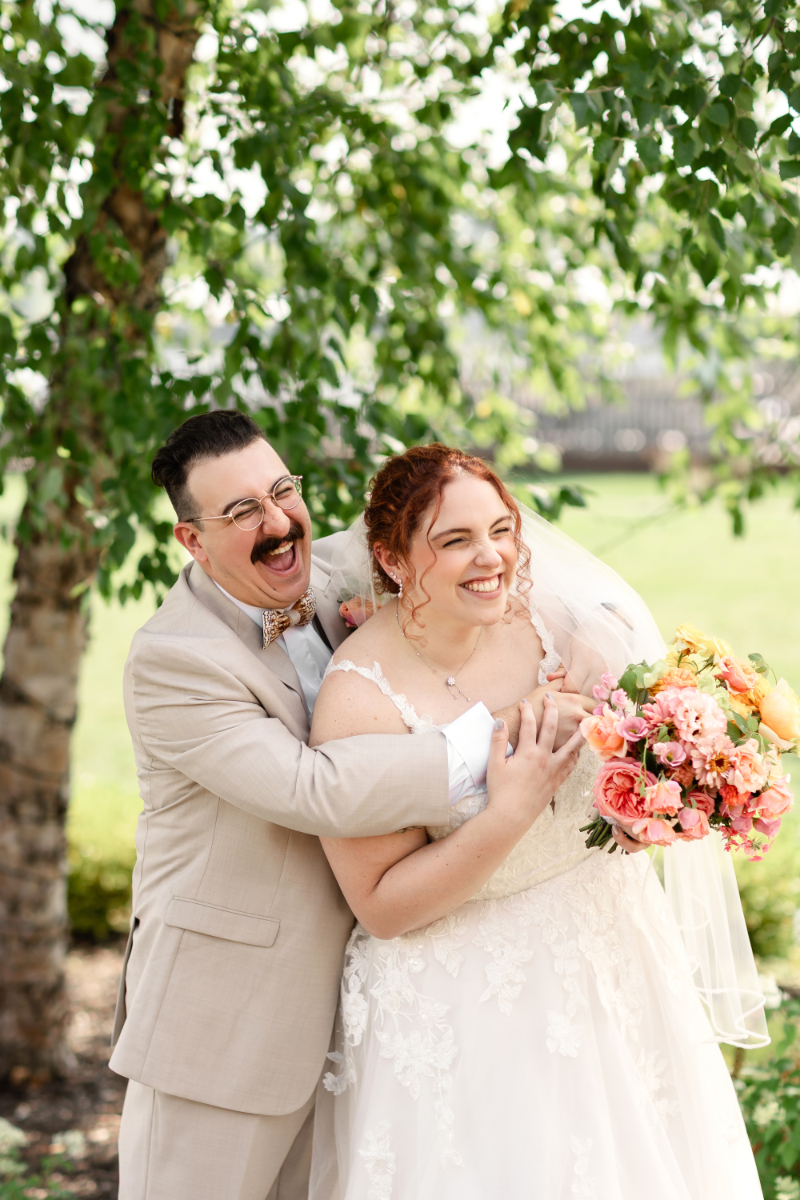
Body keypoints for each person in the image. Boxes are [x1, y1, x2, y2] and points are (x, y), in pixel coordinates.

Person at [110, 412, 594, 1200]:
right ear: (192, 543)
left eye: (280, 492)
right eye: (239, 514)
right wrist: (508, 737)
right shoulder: (173, 662)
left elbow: (469, 552)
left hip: (369, 1019)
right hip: (225, 1024)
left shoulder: (350, 567)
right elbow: (315, 788)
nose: (275, 524)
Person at [307, 443, 765, 1200]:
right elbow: (380, 906)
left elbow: (623, 647)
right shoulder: (358, 700)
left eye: (501, 529)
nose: (491, 558)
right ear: (391, 560)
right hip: (473, 1005)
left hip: (614, 954)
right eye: (454, 540)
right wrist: (512, 808)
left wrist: (653, 795)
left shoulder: (550, 620)